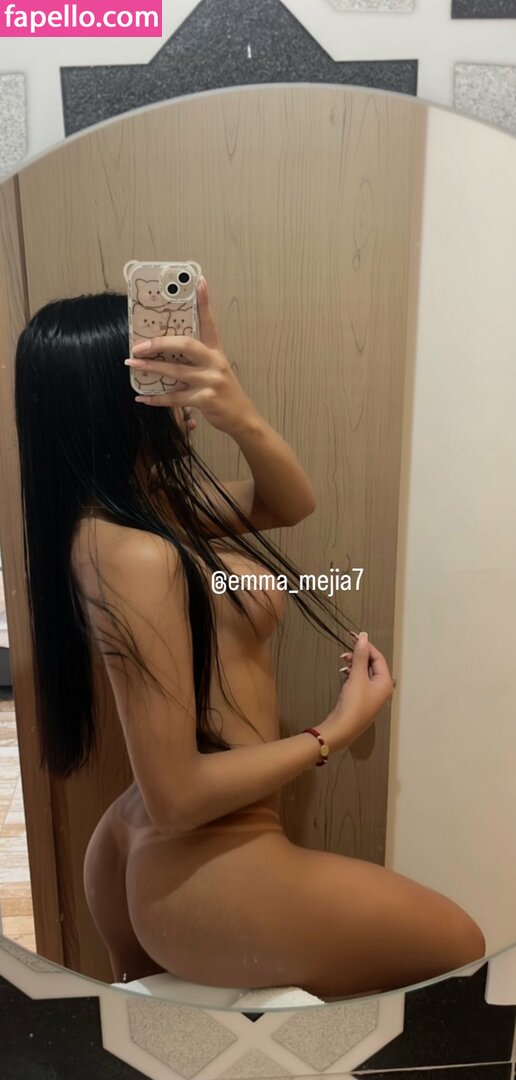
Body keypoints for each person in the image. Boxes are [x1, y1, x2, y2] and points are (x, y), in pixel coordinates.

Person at [14, 277, 485, 999]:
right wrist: (336, 730)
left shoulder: (138, 514)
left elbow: (290, 502)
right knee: (464, 949)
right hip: (208, 862)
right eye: (160, 374)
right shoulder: (134, 551)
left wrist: (235, 410)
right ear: (113, 401)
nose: (184, 389)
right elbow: (177, 796)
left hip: (157, 848)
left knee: (164, 1040)